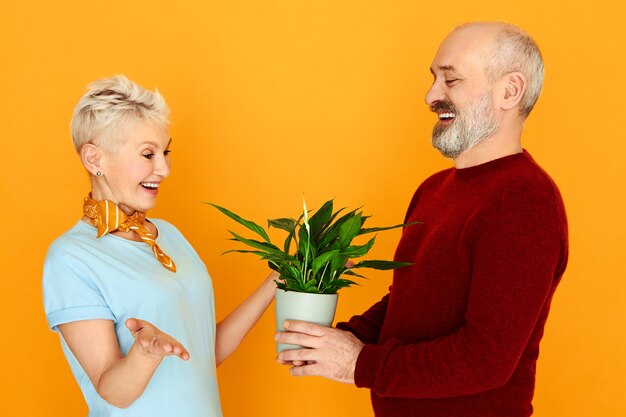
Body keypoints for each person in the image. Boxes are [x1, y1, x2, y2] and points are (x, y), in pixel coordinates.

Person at [275, 21, 569, 417]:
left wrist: (357, 363)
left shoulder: (524, 200)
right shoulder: (434, 188)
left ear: (510, 91)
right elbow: (410, 302)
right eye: (434, 79)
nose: (432, 95)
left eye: (452, 80)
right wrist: (339, 338)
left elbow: (485, 360)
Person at [43, 75, 277, 417]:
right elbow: (113, 392)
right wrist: (145, 353)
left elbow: (202, 352)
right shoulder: (70, 257)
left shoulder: (169, 235)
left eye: (165, 151)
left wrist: (278, 278)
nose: (164, 168)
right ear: (95, 160)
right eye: (148, 154)